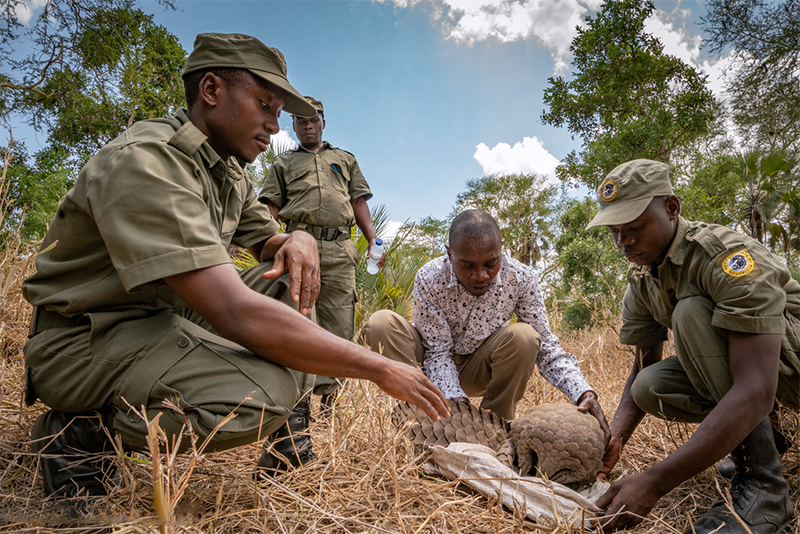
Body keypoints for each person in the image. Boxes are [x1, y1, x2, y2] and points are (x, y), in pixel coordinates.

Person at [22, 32, 449, 503]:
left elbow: (267, 239)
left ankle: (289, 442)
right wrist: (379, 367)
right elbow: (233, 310)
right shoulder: (149, 163)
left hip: (161, 319)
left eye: (278, 113)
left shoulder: (226, 171)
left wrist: (298, 237)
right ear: (211, 91)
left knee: (294, 275)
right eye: (264, 105)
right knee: (263, 397)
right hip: (85, 339)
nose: (273, 125)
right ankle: (81, 433)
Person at [587, 159, 800, 533]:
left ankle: (765, 488)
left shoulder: (721, 256)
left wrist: (656, 480)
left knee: (690, 312)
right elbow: (643, 365)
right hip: (762, 376)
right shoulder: (642, 278)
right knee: (649, 385)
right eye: (615, 232)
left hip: (788, 367)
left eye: (635, 227)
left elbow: (756, 388)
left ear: (672, 207)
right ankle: (770, 436)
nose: (624, 243)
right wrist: (614, 438)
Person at [363, 209, 610, 430]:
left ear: (502, 253)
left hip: (481, 367)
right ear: (449, 254)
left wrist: (582, 392)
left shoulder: (521, 278)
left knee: (525, 336)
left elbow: (547, 349)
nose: (480, 276)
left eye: (491, 264)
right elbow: (437, 354)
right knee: (381, 323)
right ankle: (424, 419)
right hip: (430, 364)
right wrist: (457, 406)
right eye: (467, 265)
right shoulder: (430, 277)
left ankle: (495, 428)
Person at [260, 97, 382, 406]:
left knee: (340, 322)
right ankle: (296, 402)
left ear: (323, 122)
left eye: (313, 119)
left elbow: (358, 202)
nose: (308, 125)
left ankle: (330, 405)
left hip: (341, 249)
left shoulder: (345, 159)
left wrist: (371, 240)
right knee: (297, 318)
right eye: (301, 121)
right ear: (294, 126)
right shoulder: (283, 163)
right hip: (298, 246)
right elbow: (270, 207)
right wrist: (268, 244)